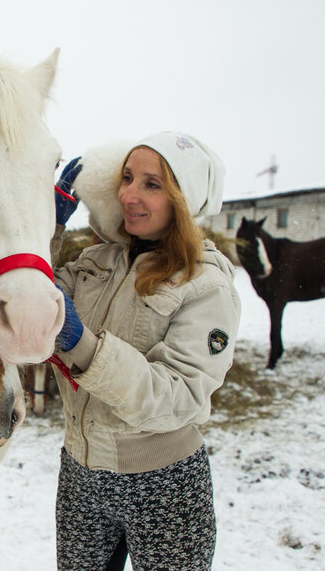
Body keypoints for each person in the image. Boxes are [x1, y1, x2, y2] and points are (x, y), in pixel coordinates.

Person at [50, 132, 241, 570]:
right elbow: (34, 299)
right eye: (127, 178)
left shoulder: (206, 284)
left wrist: (82, 345)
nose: (128, 195)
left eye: (152, 185)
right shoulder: (98, 261)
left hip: (165, 485)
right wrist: (49, 225)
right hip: (81, 473)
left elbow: (176, 395)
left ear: (182, 199)